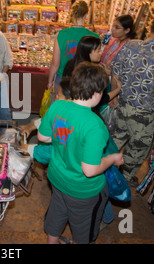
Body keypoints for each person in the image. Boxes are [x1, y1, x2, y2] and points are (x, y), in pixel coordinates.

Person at [37, 62, 124, 244]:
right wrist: (112, 158)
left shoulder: (57, 106)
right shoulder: (95, 125)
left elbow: (43, 137)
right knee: (84, 229)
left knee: (57, 213)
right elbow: (90, 170)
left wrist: (65, 138)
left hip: (57, 178)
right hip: (82, 190)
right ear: (96, 94)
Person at [110, 14, 154, 184]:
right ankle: (121, 182)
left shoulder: (130, 45)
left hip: (122, 104)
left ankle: (102, 171)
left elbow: (115, 72)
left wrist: (115, 94)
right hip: (143, 114)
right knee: (136, 150)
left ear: (150, 26)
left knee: (114, 141)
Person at [47, 0, 99, 102]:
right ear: (86, 15)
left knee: (60, 110)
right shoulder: (94, 36)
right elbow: (96, 61)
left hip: (63, 78)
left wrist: (50, 82)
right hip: (84, 80)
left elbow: (55, 63)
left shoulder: (61, 34)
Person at [62, 35, 121, 118]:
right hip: (84, 114)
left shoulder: (71, 64)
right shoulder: (89, 72)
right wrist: (118, 89)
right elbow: (101, 98)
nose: (101, 52)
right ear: (88, 52)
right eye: (98, 50)